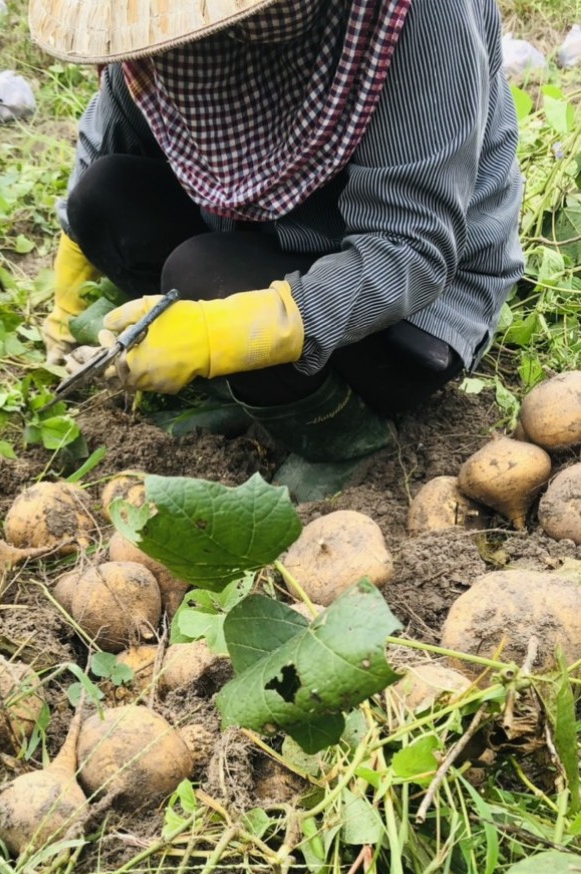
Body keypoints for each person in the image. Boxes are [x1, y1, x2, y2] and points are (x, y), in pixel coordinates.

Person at [30, 0, 525, 500]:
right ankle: (249, 391)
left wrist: (215, 334)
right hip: (261, 239)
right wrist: (71, 282)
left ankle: (343, 437)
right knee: (105, 197)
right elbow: (113, 135)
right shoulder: (162, 21)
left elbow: (410, 252)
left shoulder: (418, 15)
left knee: (202, 274)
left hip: (408, 306)